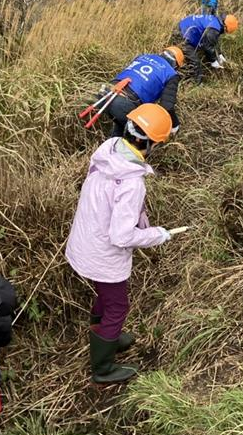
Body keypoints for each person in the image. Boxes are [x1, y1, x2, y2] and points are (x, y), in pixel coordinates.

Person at [66, 104, 173, 384]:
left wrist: (142, 218)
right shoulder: (132, 184)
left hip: (85, 240)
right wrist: (157, 235)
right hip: (104, 252)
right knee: (117, 306)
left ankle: (106, 336)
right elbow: (122, 236)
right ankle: (102, 367)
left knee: (105, 295)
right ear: (149, 143)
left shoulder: (108, 152)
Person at [104, 47, 184, 137]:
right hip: (125, 103)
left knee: (119, 125)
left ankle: (109, 145)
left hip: (105, 91)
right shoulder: (171, 74)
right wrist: (175, 125)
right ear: (176, 66)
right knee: (142, 137)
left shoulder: (143, 57)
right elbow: (167, 106)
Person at [175, 13, 238, 83]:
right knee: (195, 63)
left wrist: (220, 55)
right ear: (225, 27)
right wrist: (213, 61)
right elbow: (207, 46)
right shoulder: (213, 29)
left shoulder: (215, 21)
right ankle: (195, 83)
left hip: (183, 26)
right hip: (182, 35)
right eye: (226, 31)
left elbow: (213, 41)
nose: (225, 33)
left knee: (195, 57)